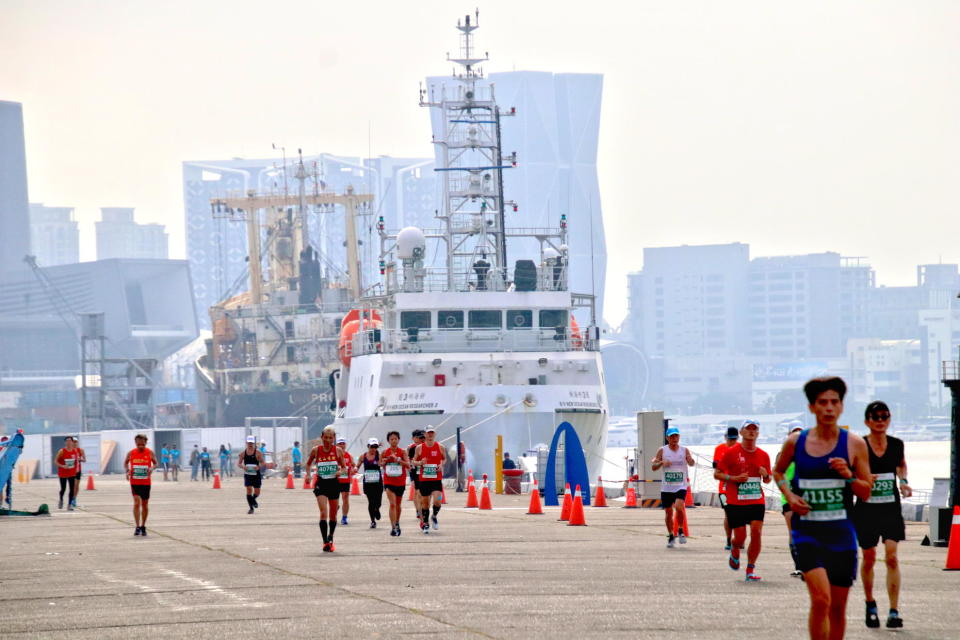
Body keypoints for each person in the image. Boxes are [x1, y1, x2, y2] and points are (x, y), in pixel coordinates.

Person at [773, 376, 872, 640]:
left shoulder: (855, 444)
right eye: (822, 402)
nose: (829, 408)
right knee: (821, 600)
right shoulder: (796, 443)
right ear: (812, 408)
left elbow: (866, 491)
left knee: (838, 608)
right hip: (807, 534)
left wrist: (848, 476)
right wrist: (790, 496)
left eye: (834, 402)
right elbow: (779, 472)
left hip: (841, 536)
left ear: (841, 407)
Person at [854, 401, 910, 629]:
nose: (880, 420)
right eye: (875, 416)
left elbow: (901, 466)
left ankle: (894, 610)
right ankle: (870, 603)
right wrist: (862, 480)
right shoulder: (859, 445)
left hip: (890, 507)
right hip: (867, 509)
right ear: (867, 421)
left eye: (884, 416)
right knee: (868, 557)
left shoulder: (897, 444)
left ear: (889, 419)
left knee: (892, 556)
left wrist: (904, 483)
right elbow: (849, 472)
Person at [715, 420, 772, 582]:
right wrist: (734, 478)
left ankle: (750, 569)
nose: (752, 432)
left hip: (756, 499)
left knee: (757, 532)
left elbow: (768, 479)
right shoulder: (731, 452)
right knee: (740, 538)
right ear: (741, 432)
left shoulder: (763, 455)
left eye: (755, 429)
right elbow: (717, 473)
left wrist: (766, 475)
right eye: (748, 429)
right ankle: (734, 548)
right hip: (736, 501)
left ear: (758, 433)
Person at [651, 426, 694, 548]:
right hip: (667, 487)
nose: (674, 438)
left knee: (679, 507)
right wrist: (661, 463)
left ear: (679, 437)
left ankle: (680, 530)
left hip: (681, 485)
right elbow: (653, 466)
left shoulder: (684, 450)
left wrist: (690, 461)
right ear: (667, 438)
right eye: (672, 436)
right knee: (668, 512)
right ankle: (670, 535)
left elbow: (691, 463)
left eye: (676, 436)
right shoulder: (662, 450)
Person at [306, 426, 346, 552]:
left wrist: (340, 472)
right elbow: (308, 464)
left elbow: (344, 467)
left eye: (330, 437)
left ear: (334, 438)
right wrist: (308, 475)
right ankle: (325, 542)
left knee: (333, 515)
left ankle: (331, 538)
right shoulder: (316, 450)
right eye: (325, 437)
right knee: (324, 512)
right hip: (321, 484)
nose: (328, 440)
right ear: (321, 437)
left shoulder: (338, 450)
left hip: (334, 484)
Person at [779, 423, 805, 579]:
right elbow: (778, 474)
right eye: (794, 433)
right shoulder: (783, 454)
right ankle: (799, 566)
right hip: (788, 498)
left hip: (805, 497)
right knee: (793, 532)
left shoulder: (811, 454)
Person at [413, 426, 447, 534]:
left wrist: (441, 465)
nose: (430, 435)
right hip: (424, 479)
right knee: (425, 503)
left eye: (432, 433)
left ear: (434, 434)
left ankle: (434, 516)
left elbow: (444, 458)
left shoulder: (440, 447)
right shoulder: (419, 448)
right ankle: (426, 523)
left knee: (437, 501)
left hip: (436, 479)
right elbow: (414, 461)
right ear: (425, 435)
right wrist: (420, 463)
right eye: (428, 433)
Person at [124, 433, 158, 536]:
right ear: (135, 443)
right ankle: (137, 526)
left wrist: (152, 468)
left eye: (142, 444)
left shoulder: (150, 453)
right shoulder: (131, 453)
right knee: (136, 502)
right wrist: (127, 471)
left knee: (145, 504)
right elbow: (125, 463)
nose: (140, 447)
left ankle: (143, 526)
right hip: (135, 482)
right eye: (138, 444)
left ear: (146, 443)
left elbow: (156, 463)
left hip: (146, 482)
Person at [713, 426, 740, 550]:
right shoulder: (719, 449)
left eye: (734, 439)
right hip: (724, 488)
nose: (732, 442)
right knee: (728, 514)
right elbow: (716, 467)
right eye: (730, 439)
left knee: (740, 514)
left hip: (739, 487)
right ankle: (729, 539)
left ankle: (739, 538)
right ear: (725, 438)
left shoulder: (741, 449)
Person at [381, 430, 410, 536]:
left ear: (398, 440)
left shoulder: (403, 452)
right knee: (392, 504)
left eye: (395, 439)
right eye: (391, 439)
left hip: (400, 482)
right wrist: (386, 461)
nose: (393, 441)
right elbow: (380, 463)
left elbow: (408, 465)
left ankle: (397, 522)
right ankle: (393, 527)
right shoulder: (384, 452)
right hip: (389, 481)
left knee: (398, 505)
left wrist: (398, 460)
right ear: (388, 441)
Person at [358, 438, 383, 528]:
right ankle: (372, 521)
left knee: (378, 502)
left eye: (375, 447)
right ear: (368, 446)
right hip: (368, 483)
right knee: (371, 502)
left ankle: (377, 509)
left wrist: (383, 463)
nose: (373, 449)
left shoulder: (379, 455)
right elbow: (357, 466)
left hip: (377, 482)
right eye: (372, 447)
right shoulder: (363, 456)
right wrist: (354, 470)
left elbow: (381, 464)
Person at [238, 435, 265, 514]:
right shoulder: (243, 454)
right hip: (248, 474)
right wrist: (243, 467)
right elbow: (239, 464)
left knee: (257, 492)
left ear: (254, 443)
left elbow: (263, 462)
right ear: (246, 443)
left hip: (256, 475)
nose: (250, 444)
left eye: (251, 443)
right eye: (249, 442)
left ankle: (253, 500)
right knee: (249, 489)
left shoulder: (258, 453)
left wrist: (258, 466)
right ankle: (251, 508)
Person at [54, 436, 80, 510]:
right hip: (63, 473)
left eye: (70, 441)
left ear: (72, 442)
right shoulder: (62, 451)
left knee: (72, 489)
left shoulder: (75, 451)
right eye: (67, 441)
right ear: (65, 442)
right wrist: (62, 466)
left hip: (72, 473)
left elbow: (76, 462)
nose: (69, 442)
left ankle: (69, 505)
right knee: (63, 489)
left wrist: (76, 469)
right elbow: (55, 461)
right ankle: (61, 499)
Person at [407, 429, 425, 526]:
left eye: (421, 437)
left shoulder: (426, 446)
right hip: (415, 472)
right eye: (417, 437)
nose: (419, 439)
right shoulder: (411, 448)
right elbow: (409, 462)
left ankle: (422, 508)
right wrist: (412, 476)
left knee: (424, 493)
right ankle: (418, 510)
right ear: (413, 438)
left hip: (425, 471)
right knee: (417, 492)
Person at [336, 438, 355, 525]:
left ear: (345, 445)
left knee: (345, 499)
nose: (342, 445)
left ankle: (344, 517)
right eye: (340, 444)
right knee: (334, 500)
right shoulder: (334, 456)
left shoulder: (349, 456)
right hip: (335, 480)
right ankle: (335, 509)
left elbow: (353, 466)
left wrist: (353, 470)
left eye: (343, 443)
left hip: (345, 480)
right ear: (337, 445)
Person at [72, 436, 86, 507]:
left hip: (78, 470)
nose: (74, 443)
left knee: (77, 486)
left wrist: (80, 459)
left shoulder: (80, 450)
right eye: (73, 442)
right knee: (73, 485)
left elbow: (84, 460)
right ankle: (72, 499)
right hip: (71, 471)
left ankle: (74, 498)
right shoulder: (69, 450)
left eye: (75, 442)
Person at [1, 435, 12, 508]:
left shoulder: (10, 449)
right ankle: (1, 503)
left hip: (7, 470)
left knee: (8, 485)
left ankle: (7, 498)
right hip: (2, 471)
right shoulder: (1, 449)